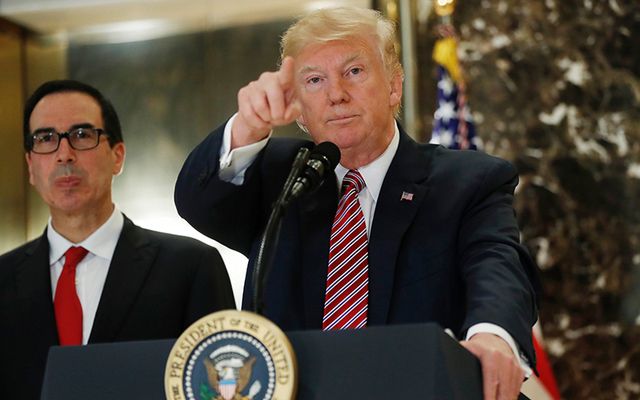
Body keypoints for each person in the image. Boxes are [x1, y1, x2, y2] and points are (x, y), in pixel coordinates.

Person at [175, 7, 539, 399]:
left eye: (354, 72)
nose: (336, 95)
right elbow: (198, 202)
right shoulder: (278, 177)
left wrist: (493, 336)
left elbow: (497, 266)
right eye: (314, 80)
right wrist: (247, 125)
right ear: (296, 105)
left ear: (394, 86)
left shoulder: (467, 181)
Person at [0, 79, 235, 400]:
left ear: (117, 156)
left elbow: (221, 388)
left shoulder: (190, 268)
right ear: (30, 166)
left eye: (82, 135)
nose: (63, 154)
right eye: (45, 139)